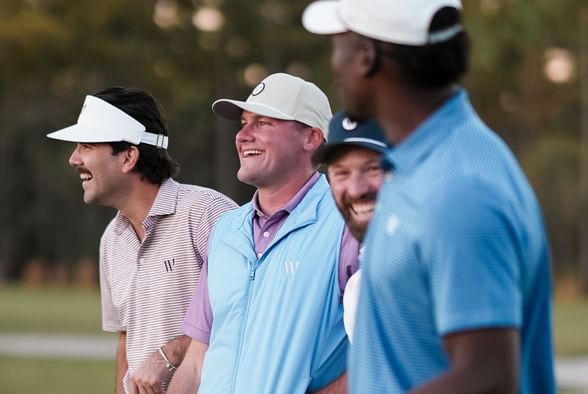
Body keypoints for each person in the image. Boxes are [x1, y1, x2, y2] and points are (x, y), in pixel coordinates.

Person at [303, 0, 556, 392]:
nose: (334, 60)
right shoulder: (421, 163)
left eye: (339, 42)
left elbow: (486, 378)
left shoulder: (460, 188)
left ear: (366, 57)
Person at [168, 73, 356, 393]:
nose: (243, 135)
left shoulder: (349, 226)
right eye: (243, 122)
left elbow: (387, 354)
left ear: (311, 138)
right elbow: (198, 359)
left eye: (263, 123)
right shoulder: (226, 230)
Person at [46, 87, 237, 394]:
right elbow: (126, 341)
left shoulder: (207, 213)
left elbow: (250, 313)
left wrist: (172, 353)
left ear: (128, 157)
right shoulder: (112, 239)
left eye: (86, 146)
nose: (74, 159)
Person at [312, 111, 389, 342]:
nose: (356, 189)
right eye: (342, 173)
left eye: (373, 168)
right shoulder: (359, 288)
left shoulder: (450, 259)